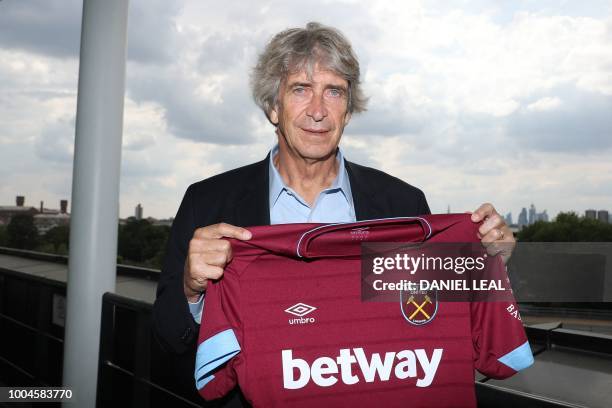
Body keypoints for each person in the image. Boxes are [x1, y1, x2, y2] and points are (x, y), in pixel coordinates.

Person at [152, 22, 516, 406]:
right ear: (273, 108)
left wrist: (488, 265)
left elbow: (441, 324)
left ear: (348, 109)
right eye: (300, 89)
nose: (318, 111)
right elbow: (165, 336)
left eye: (334, 92)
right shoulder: (208, 203)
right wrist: (192, 291)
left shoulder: (403, 204)